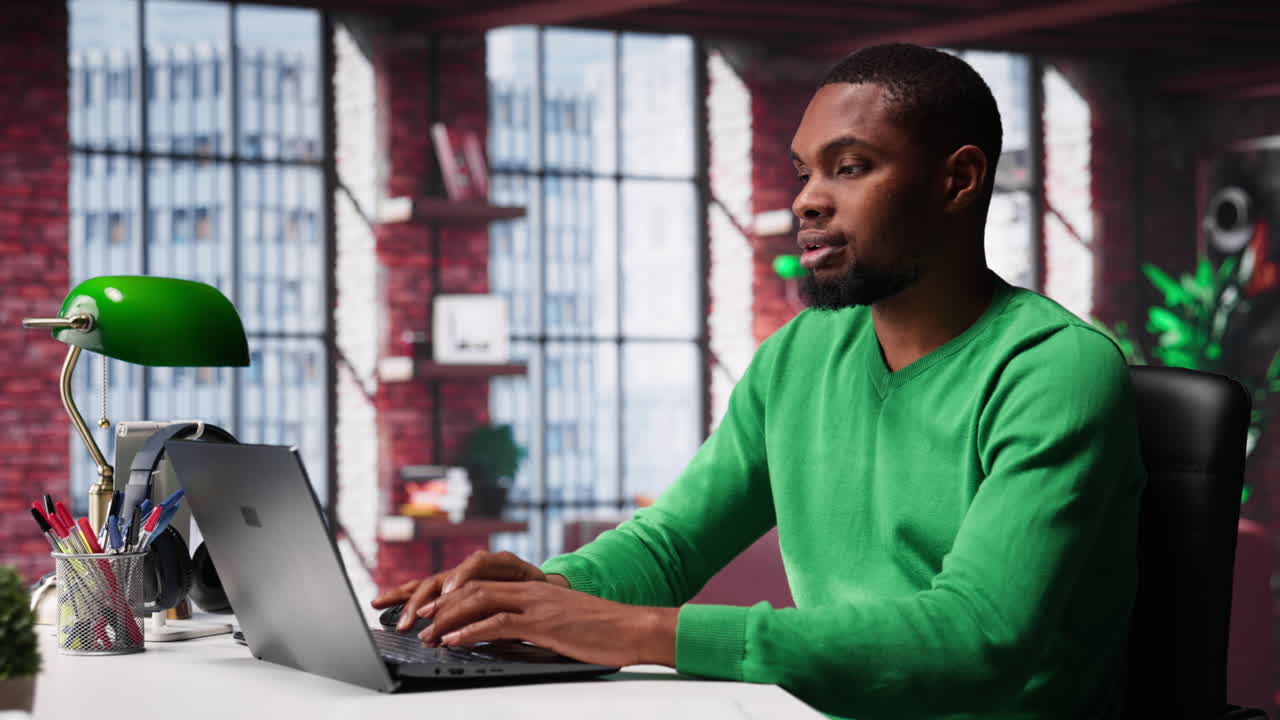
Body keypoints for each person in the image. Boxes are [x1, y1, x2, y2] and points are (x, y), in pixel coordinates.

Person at [372, 43, 1144, 720]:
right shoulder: (801, 354)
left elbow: (977, 639)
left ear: (958, 181)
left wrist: (641, 632)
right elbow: (672, 546)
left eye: (851, 167)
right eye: (805, 171)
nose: (806, 198)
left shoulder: (1055, 368)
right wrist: (536, 598)